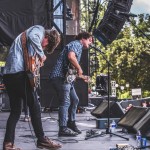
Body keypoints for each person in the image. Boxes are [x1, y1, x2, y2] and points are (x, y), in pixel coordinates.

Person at [2, 25, 62, 150]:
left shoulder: (31, 41)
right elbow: (32, 37)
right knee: (34, 106)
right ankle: (41, 140)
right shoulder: (38, 30)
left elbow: (30, 60)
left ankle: (8, 144)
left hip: (9, 76)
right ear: (47, 38)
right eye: (45, 45)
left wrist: (37, 62)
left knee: (15, 111)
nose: (44, 47)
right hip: (19, 75)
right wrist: (41, 54)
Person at [50, 32, 93, 136]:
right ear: (83, 38)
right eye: (90, 40)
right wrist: (79, 68)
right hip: (60, 78)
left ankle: (71, 123)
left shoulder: (77, 46)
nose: (91, 43)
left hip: (65, 79)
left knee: (75, 100)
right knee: (65, 102)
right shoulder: (77, 44)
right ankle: (63, 128)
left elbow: (70, 71)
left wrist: (82, 77)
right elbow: (70, 56)